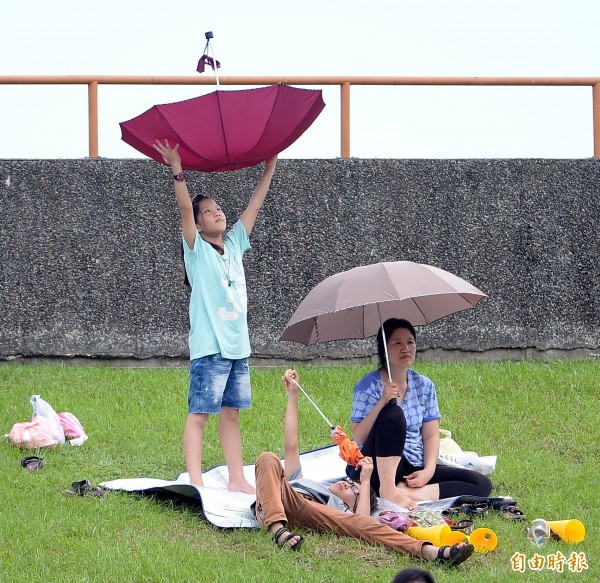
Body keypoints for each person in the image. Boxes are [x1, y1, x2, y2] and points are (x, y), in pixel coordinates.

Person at [153, 139, 277, 493]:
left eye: (218, 209)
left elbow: (255, 204)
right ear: (198, 222)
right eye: (207, 212)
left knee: (232, 414)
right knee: (200, 414)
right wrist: (178, 169)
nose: (217, 213)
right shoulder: (196, 250)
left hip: (239, 348)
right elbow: (182, 209)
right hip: (210, 348)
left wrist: (268, 169)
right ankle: (195, 480)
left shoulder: (235, 243)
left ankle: (237, 478)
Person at [253, 369, 474, 568]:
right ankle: (277, 529)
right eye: (350, 484)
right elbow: (291, 445)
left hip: (311, 512)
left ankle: (431, 553)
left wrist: (366, 481)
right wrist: (293, 395)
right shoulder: (299, 482)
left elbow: (363, 523)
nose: (347, 484)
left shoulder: (337, 511)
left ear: (352, 506)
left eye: (353, 491)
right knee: (267, 458)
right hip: (278, 498)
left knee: (366, 528)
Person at [349, 318, 493, 509]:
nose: (406, 348)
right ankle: (388, 489)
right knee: (393, 414)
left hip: (413, 465)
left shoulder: (424, 385)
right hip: (376, 467)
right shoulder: (368, 385)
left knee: (482, 484)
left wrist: (428, 470)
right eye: (397, 343)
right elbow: (358, 436)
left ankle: (407, 492)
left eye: (410, 342)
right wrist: (382, 402)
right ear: (384, 349)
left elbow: (431, 435)